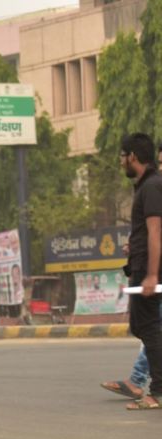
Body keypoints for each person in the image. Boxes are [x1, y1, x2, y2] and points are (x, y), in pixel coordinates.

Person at [119, 132, 162, 410]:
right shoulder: (148, 186)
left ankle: (157, 391)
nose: (121, 162)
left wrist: (151, 274)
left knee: (149, 327)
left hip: (149, 271)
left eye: (122, 157)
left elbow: (155, 231)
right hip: (142, 265)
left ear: (133, 156)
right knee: (143, 326)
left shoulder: (152, 186)